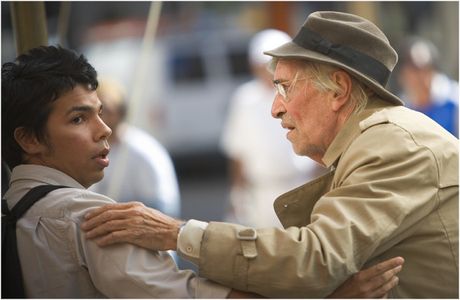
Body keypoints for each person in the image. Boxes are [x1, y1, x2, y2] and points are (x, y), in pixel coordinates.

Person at [82, 11, 458, 298]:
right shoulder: (378, 139)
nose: (275, 108)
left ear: (338, 89)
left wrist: (176, 233)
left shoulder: (390, 144)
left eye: (285, 86)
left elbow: (316, 259)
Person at [2, 45, 404, 298]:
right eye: (77, 118)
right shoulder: (90, 218)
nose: (104, 129)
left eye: (100, 114)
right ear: (29, 139)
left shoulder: (14, 207)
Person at [220, 29, 325, 228]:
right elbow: (237, 152)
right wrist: (237, 196)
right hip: (262, 194)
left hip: (301, 186)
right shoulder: (244, 99)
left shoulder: (304, 93)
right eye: (264, 66)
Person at [89, 78, 180, 217]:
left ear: (120, 112)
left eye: (104, 110)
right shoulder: (93, 150)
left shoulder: (142, 150)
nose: (100, 117)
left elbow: (162, 206)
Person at [397, 37, 458, 137]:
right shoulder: (401, 106)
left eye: (426, 69)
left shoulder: (455, 99)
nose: (421, 76)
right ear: (403, 75)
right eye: (414, 70)